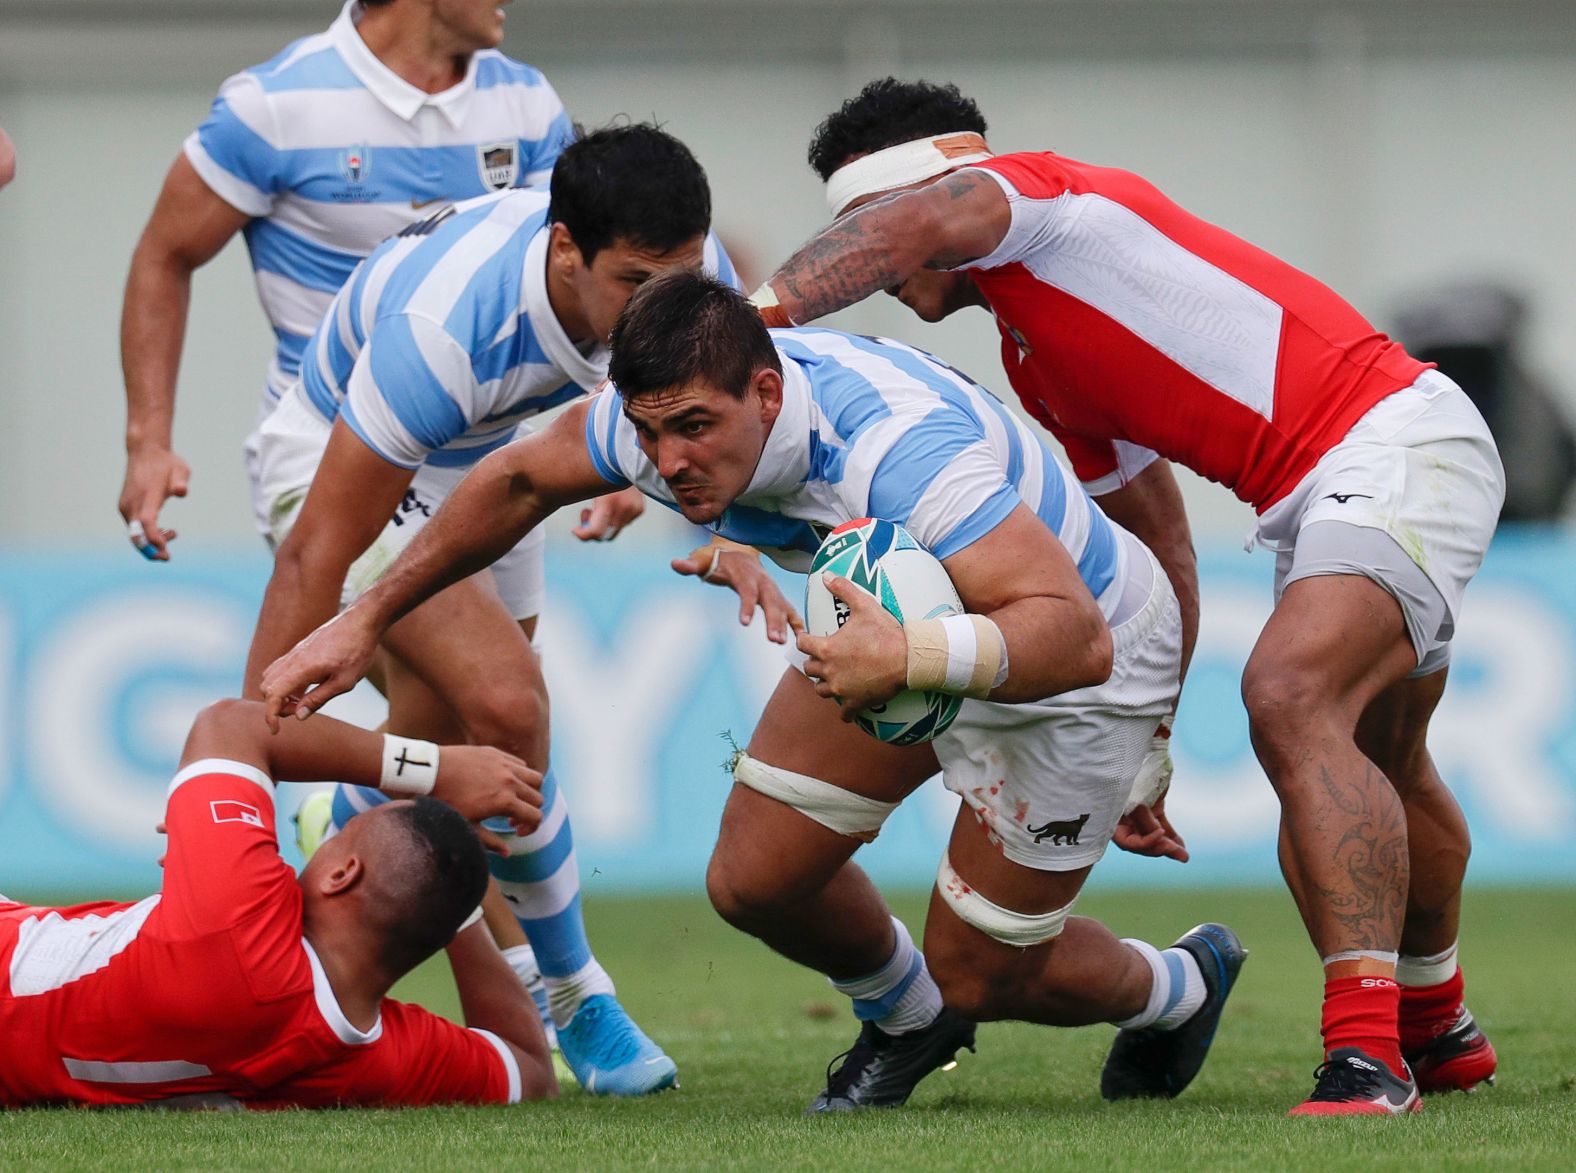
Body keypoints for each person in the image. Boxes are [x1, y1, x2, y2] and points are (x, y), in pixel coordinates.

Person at [258, 272, 1248, 1114]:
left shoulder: (895, 453)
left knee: (985, 972)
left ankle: (1178, 985)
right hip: (900, 616)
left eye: (696, 428)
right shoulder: (650, 420)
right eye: (651, 436)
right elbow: (517, 482)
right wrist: (365, 617)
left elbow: (1068, 634)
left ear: (767, 394)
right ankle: (909, 1020)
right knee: (754, 882)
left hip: (1082, 658)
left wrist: (906, 658)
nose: (672, 463)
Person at [747, 78, 1506, 1114]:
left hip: (1394, 442)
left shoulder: (1036, 201)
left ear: (932, 196)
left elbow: (918, 219)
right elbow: (1159, 546)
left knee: (1290, 694)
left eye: (865, 232)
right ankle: (1436, 1028)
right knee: (1383, 756)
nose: (867, 267)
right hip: (1320, 492)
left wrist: (750, 322)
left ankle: (1364, 1059)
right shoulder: (1037, 357)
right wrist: (1148, 737)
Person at [243, 124, 741, 1097]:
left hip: (498, 464)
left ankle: (338, 815)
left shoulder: (684, 280)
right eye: (635, 285)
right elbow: (318, 544)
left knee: (438, 735)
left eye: (675, 282)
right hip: (338, 454)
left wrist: (641, 461)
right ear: (565, 253)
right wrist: (229, 777)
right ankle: (572, 993)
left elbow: (730, 404)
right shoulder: (443, 333)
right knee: (511, 709)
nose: (664, 312)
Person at [118, 0, 580, 561]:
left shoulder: (527, 101)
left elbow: (581, 273)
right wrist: (148, 443)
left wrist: (615, 427)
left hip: (485, 457)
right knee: (482, 656)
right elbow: (164, 256)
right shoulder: (274, 105)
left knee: (502, 655)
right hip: (333, 443)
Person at [0, 697, 556, 1109]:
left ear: (341, 873)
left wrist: (435, 770)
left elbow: (231, 724)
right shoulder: (371, 1061)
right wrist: (457, 904)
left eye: (337, 834)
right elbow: (531, 1070)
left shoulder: (240, 923)